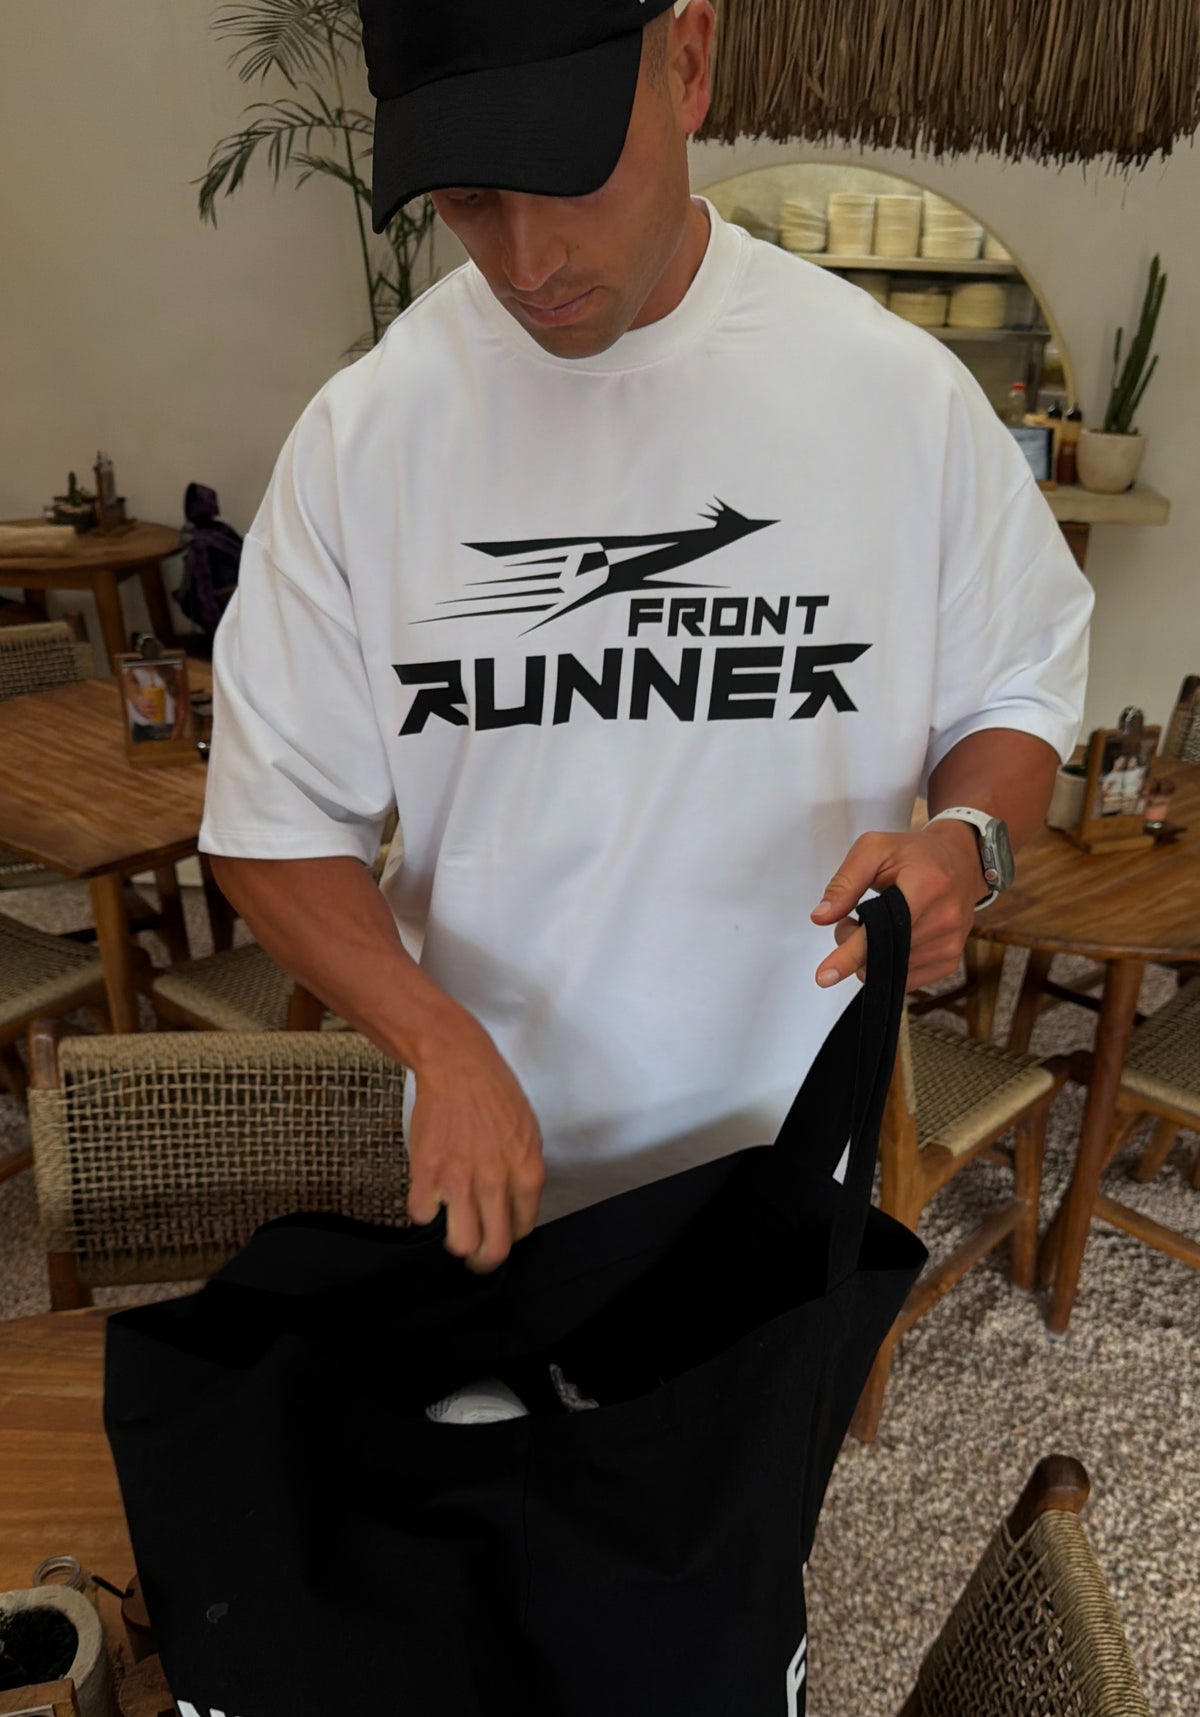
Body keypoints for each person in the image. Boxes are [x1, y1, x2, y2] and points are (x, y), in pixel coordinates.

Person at [200, 0, 1093, 1271]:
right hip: (499, 1177)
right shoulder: (372, 432)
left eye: (568, 173)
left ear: (687, 65)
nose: (526, 260)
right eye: (469, 199)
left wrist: (968, 840)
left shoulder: (897, 398)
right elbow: (271, 824)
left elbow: (1017, 684)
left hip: (789, 1155)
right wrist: (438, 1044)